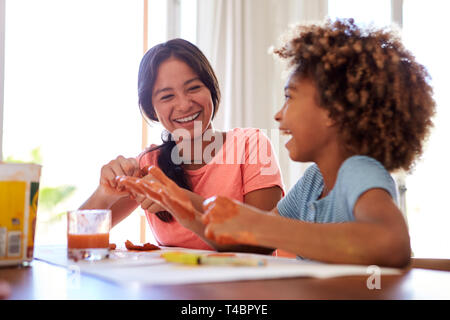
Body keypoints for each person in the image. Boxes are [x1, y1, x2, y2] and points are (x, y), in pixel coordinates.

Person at [194, 18, 435, 267]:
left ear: (333, 110)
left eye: (290, 97)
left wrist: (259, 223)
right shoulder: (313, 181)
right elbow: (252, 243)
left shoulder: (358, 171)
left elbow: (390, 244)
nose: (278, 114)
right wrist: (182, 206)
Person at [80, 38, 284, 252]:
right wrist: (103, 194)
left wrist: (177, 199)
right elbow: (80, 236)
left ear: (211, 89)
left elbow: (262, 242)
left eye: (193, 88)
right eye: (167, 96)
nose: (185, 104)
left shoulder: (252, 145)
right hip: (173, 284)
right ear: (152, 109)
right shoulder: (148, 164)